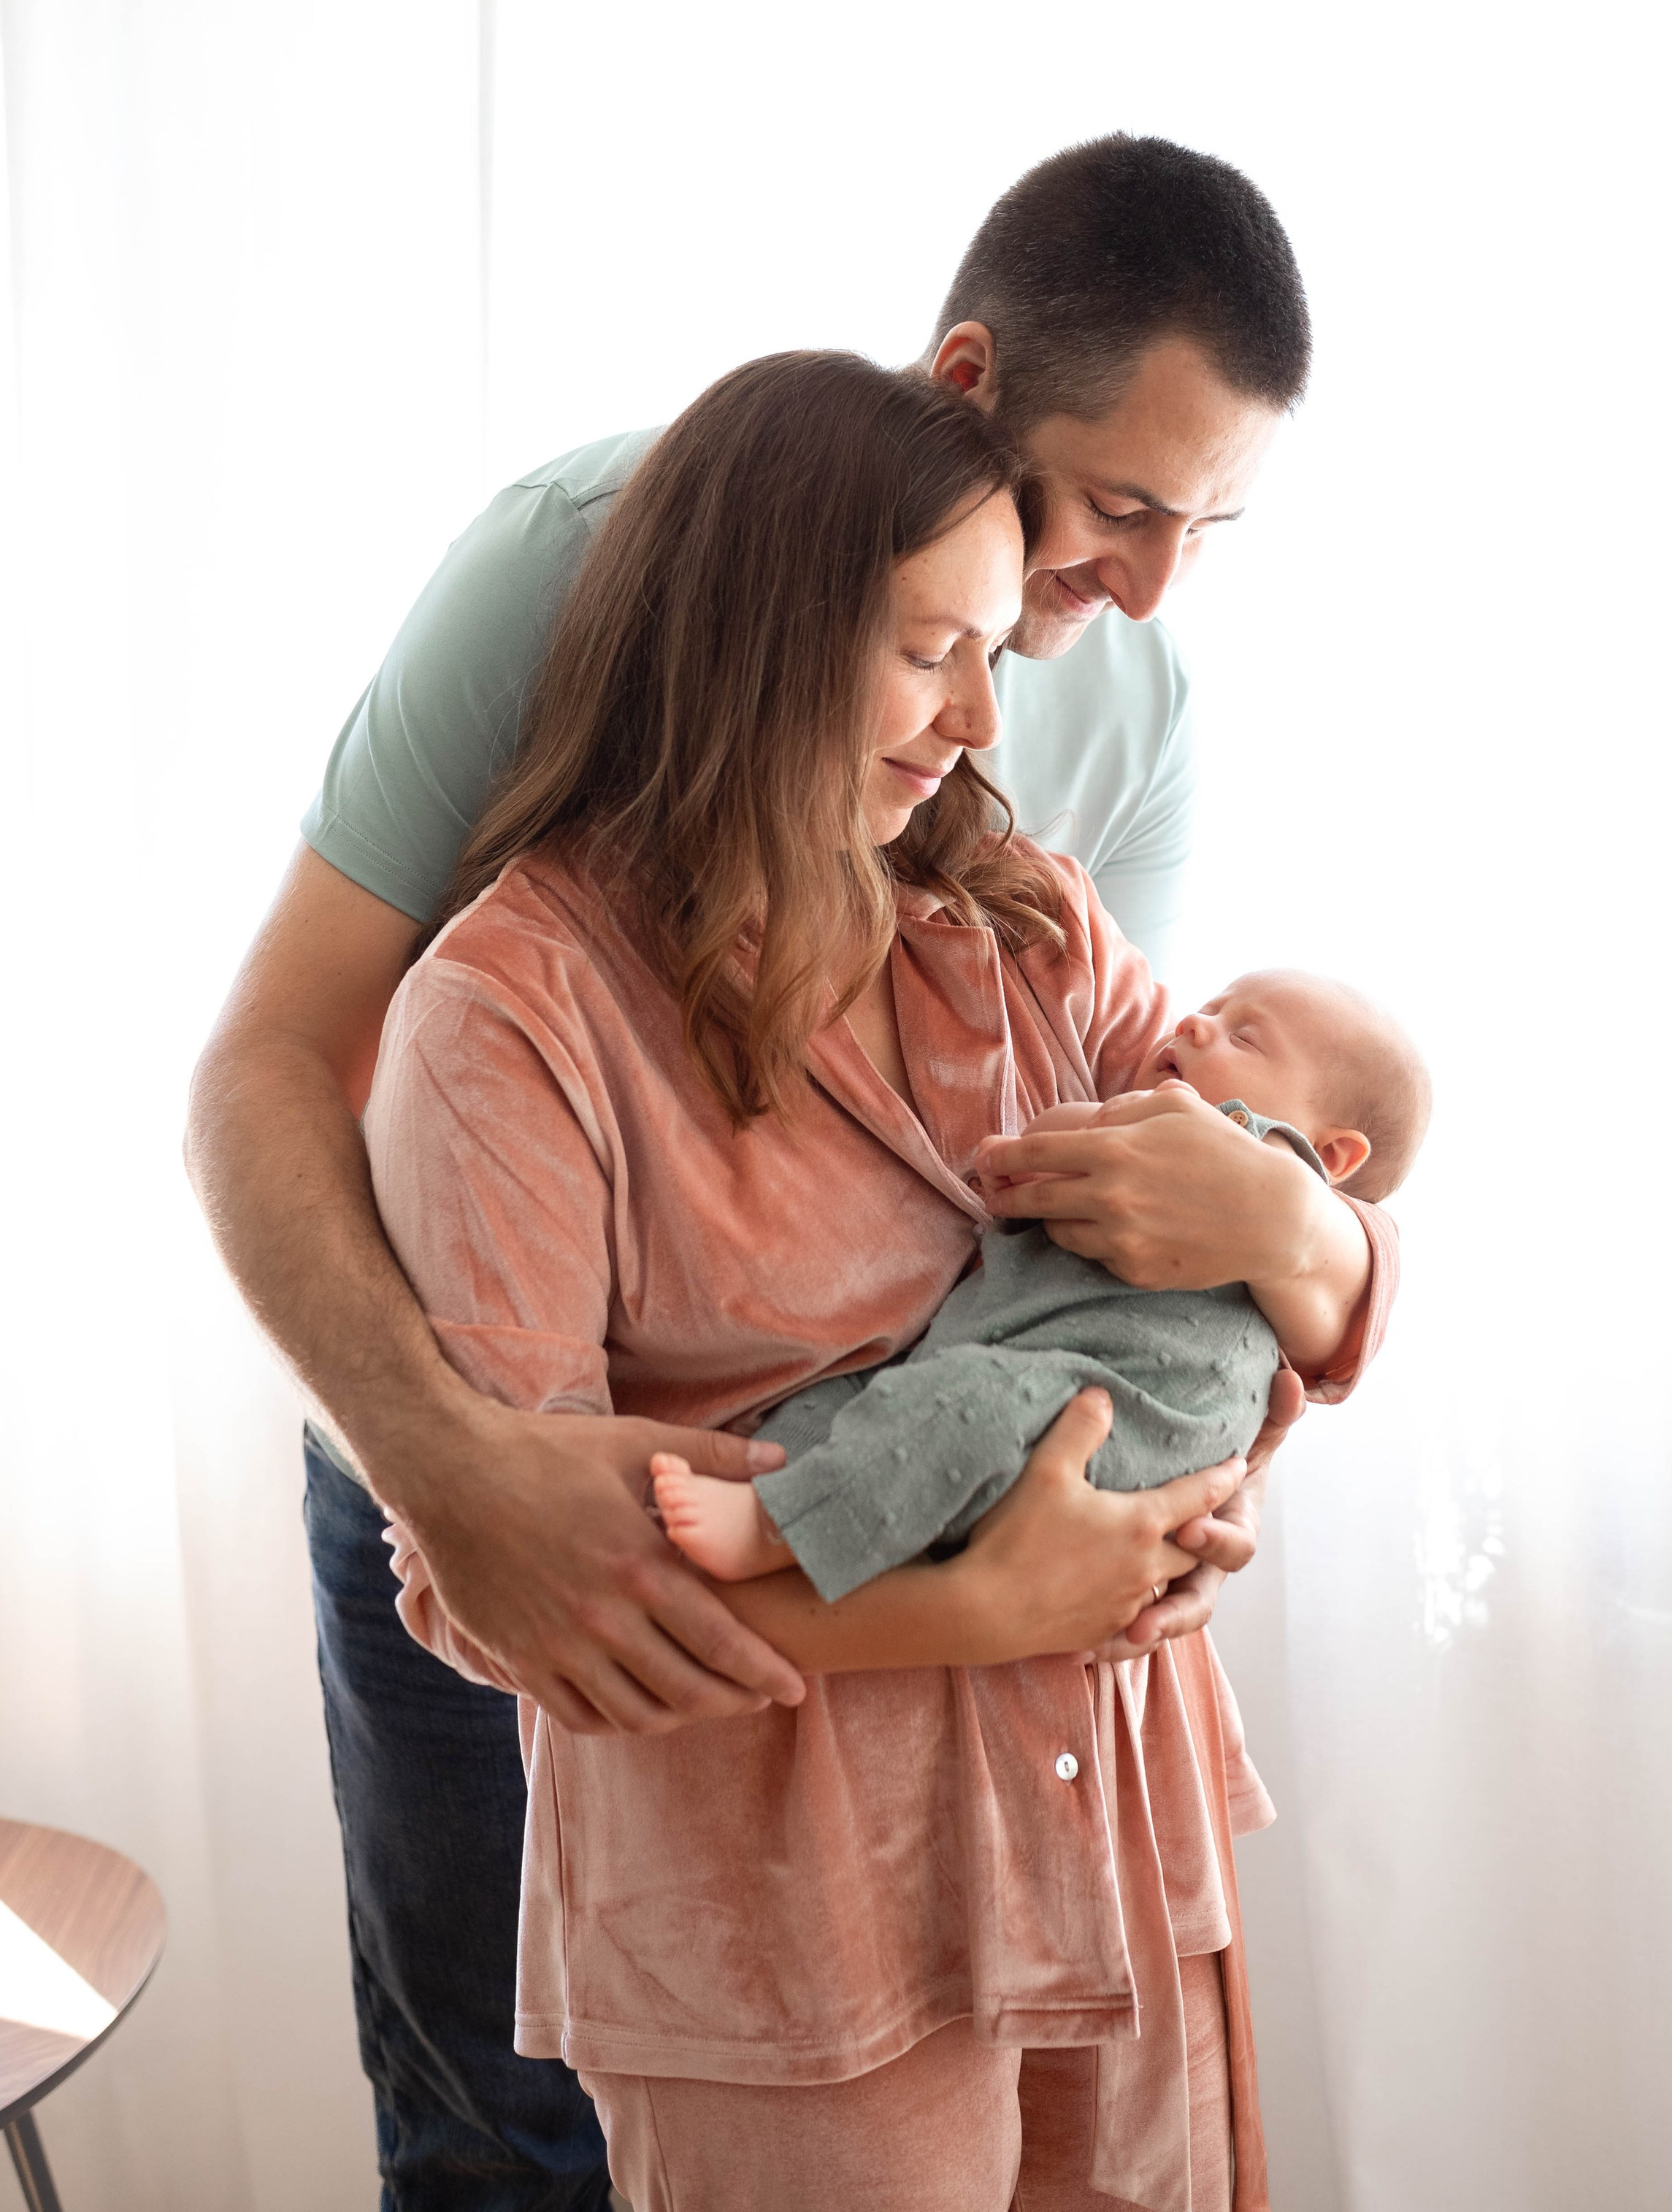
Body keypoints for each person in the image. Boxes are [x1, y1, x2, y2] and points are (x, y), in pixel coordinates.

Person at [184, 135, 1367, 2208]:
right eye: (1120, 511)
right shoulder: (581, 605)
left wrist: (1297, 1263)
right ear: (975, 381)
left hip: (1013, 1691)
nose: (1136, 601)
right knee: (495, 2122)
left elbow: (1135, 1208)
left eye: (1211, 530)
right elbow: (280, 1063)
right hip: (523, 1467)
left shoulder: (1070, 784)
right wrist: (459, 1474)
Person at [650, 973, 1431, 1603]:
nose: (1194, 1025)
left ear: (1330, 1156)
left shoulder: (1251, 1145)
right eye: (1208, 1007)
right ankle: (776, 1492)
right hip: (1041, 1386)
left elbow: (1064, 1139)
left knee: (963, 1405)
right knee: (867, 1405)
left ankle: (775, 1532)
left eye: (1244, 1036)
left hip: (1105, 1411)